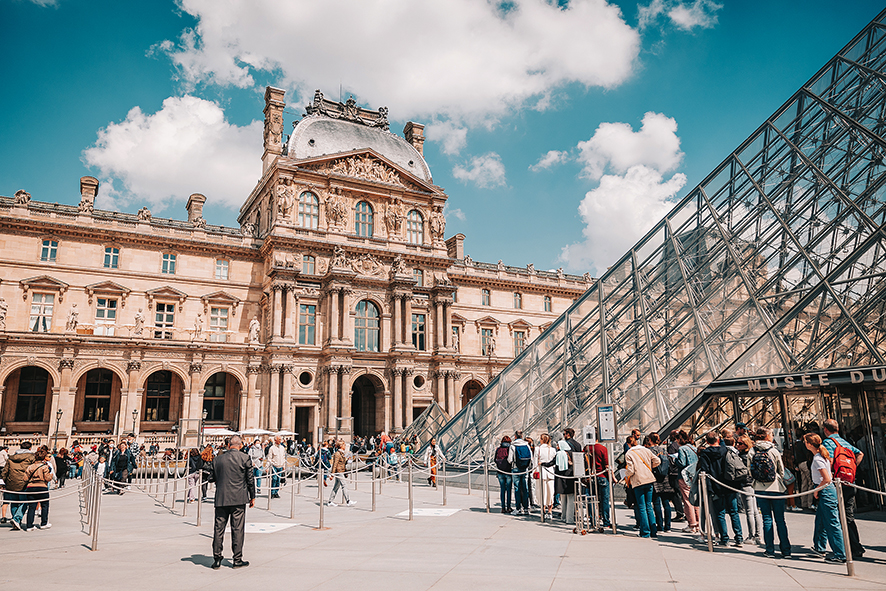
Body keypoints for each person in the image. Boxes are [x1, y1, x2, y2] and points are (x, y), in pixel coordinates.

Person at [209, 436, 255, 570]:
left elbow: (211, 478)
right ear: (240, 446)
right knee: (237, 530)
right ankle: (237, 560)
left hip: (221, 498)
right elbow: (250, 480)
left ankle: (217, 559)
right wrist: (252, 496)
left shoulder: (218, 459)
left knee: (218, 529)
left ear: (229, 445)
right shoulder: (245, 458)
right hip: (239, 498)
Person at [821, 418, 864, 557]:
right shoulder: (845, 442)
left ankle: (843, 547)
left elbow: (831, 460)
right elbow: (860, 453)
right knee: (848, 515)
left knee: (837, 515)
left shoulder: (828, 442)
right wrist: (852, 469)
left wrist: (833, 474)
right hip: (849, 481)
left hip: (837, 483)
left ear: (825, 430)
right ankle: (856, 546)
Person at [804, 433, 846, 564]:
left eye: (805, 441)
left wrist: (817, 490)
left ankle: (840, 554)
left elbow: (827, 478)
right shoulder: (822, 456)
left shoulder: (818, 458)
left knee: (832, 523)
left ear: (810, 444)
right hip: (825, 489)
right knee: (821, 521)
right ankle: (819, 547)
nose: (804, 443)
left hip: (825, 490)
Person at [751, 427, 792, 558]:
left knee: (766, 519)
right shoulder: (774, 451)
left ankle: (770, 550)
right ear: (767, 436)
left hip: (760, 488)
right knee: (780, 520)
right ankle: (786, 550)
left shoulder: (752, 451)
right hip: (776, 488)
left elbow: (749, 470)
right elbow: (781, 470)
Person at [698, 431, 743, 547]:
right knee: (734, 512)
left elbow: (704, 470)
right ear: (718, 440)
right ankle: (739, 537)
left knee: (720, 513)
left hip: (715, 485)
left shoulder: (705, 453)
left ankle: (725, 538)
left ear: (707, 442)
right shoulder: (725, 450)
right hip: (729, 484)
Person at [625, 436, 660, 538]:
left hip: (638, 481)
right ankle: (653, 531)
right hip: (649, 479)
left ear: (628, 444)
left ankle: (645, 532)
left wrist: (626, 475)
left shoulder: (629, 453)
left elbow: (631, 470)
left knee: (642, 507)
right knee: (649, 505)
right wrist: (648, 468)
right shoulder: (646, 450)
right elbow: (657, 461)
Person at [2, 442, 35, 530]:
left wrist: (5, 482)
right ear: (30, 448)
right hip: (24, 483)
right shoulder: (31, 457)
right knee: (24, 502)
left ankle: (16, 521)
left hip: (11, 484)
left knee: (14, 503)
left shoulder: (11, 458)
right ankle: (16, 519)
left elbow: (5, 472)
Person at [736, 435, 763, 544]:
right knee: (755, 511)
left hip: (746, 484)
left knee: (749, 512)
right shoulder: (753, 454)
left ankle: (751, 536)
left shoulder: (742, 457)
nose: (737, 445)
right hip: (754, 483)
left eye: (740, 443)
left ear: (746, 445)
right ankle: (758, 535)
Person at [22, 447, 53, 531]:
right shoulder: (44, 467)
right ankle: (43, 523)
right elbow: (47, 478)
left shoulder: (30, 467)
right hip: (42, 487)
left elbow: (25, 478)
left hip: (31, 487)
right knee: (45, 505)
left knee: (31, 507)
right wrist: (51, 475)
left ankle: (29, 525)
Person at [647, 433, 672, 533]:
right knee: (666, 503)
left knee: (656, 503)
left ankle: (660, 525)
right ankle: (668, 526)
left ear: (650, 440)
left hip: (655, 478)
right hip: (665, 478)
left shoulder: (649, 451)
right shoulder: (663, 450)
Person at [508, 431, 533, 515]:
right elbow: (531, 458)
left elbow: (509, 459)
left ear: (515, 436)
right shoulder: (526, 445)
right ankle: (526, 508)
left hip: (515, 468)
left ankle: (518, 508)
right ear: (522, 436)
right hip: (525, 469)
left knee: (517, 488)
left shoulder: (513, 446)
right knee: (525, 488)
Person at [327, 441, 356, 507]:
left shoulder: (341, 453)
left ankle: (330, 501)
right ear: (341, 446)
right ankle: (348, 501)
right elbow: (335, 464)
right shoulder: (337, 454)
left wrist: (348, 460)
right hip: (339, 471)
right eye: (344, 445)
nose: (345, 446)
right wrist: (332, 474)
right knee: (344, 485)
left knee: (336, 487)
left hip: (341, 471)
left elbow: (342, 462)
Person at [536, 434, 556, 519]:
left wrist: (535, 471)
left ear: (542, 440)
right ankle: (550, 510)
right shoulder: (552, 450)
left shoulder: (538, 449)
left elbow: (535, 461)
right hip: (551, 472)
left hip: (542, 472)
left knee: (542, 492)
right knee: (550, 492)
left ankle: (543, 509)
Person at [494, 436, 513, 514]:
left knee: (502, 489)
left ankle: (503, 507)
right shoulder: (510, 449)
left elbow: (495, 459)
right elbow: (511, 459)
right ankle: (508, 507)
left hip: (500, 472)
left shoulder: (498, 449)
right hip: (508, 472)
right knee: (509, 489)